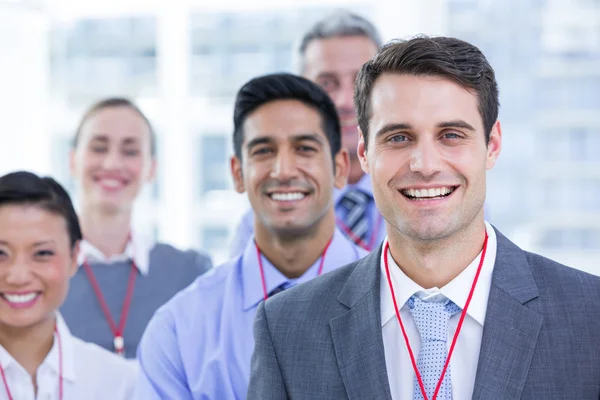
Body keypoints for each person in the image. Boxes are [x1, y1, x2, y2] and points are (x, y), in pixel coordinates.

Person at [247, 37, 600, 399]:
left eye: (451, 135)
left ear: (492, 145)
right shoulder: (286, 328)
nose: (425, 165)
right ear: (365, 154)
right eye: (399, 137)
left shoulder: (591, 317)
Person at [134, 73, 368, 399]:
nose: (283, 170)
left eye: (304, 148)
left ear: (340, 168)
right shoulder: (179, 329)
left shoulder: (396, 302)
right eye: (263, 150)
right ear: (237, 173)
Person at [60, 98, 212, 359]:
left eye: (130, 151)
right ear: (73, 161)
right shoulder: (40, 270)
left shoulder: (189, 274)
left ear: (151, 169)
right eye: (98, 147)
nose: (111, 163)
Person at [229, 10, 386, 256]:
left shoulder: (423, 196)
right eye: (327, 83)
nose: (346, 101)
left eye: (361, 82)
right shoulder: (260, 224)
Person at [0, 171, 136, 399]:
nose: (18, 276)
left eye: (42, 253)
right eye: (0, 253)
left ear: (75, 257)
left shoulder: (118, 383)